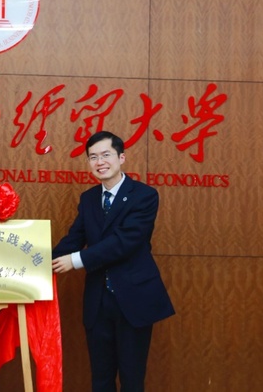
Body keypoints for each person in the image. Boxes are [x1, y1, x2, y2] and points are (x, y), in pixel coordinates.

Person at [52, 131, 174, 392]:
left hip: (134, 300)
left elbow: (124, 242)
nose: (100, 162)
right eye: (93, 157)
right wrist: (35, 263)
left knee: (132, 379)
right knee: (101, 379)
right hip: (98, 303)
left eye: (106, 155)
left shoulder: (144, 195)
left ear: (121, 157)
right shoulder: (89, 199)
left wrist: (76, 260)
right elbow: (74, 239)